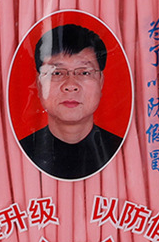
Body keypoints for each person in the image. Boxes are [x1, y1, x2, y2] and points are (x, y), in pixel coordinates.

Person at [19, 24, 124, 180]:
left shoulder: (123, 153)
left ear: (101, 82)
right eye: (57, 73)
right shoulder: (18, 154)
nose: (70, 85)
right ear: (39, 84)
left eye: (84, 72)